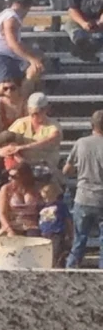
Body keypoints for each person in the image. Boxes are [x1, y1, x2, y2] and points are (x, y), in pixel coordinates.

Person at [0, 0, 43, 97]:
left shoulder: (8, 15)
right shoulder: (11, 17)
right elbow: (12, 43)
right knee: (4, 89)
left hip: (2, 58)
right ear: (27, 7)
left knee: (11, 91)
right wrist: (32, 59)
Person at [68, 109, 103, 269]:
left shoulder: (81, 142)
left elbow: (67, 169)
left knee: (79, 240)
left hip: (83, 197)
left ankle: (70, 273)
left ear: (92, 125)